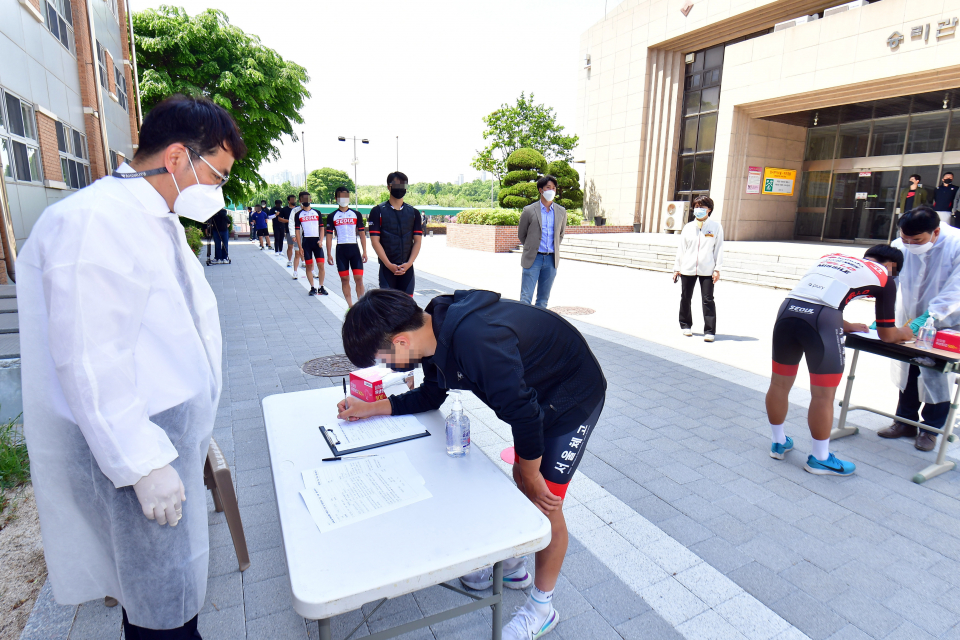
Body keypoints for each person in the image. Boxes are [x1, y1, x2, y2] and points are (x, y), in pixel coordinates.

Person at [18, 94, 244, 638]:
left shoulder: (150, 215)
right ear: (176, 159)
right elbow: (90, 358)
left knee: (170, 591)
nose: (218, 190)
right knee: (159, 609)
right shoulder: (95, 222)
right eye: (217, 173)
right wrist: (141, 464)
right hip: (136, 449)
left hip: (163, 440)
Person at [338, 289, 606, 640]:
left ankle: (543, 607)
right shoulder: (434, 331)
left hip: (572, 396)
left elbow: (525, 417)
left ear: (401, 341)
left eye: (384, 358)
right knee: (524, 476)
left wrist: (531, 473)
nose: (388, 366)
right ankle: (513, 565)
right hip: (537, 397)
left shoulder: (475, 341)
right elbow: (433, 395)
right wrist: (371, 408)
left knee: (544, 503)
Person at [766, 245, 914, 476]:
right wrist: (907, 332)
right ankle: (820, 459)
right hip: (822, 321)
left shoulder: (833, 258)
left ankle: (778, 442)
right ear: (891, 266)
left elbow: (818, 299)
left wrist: (848, 326)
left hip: (787, 311)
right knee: (823, 395)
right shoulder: (885, 276)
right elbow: (887, 334)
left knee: (779, 384)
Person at [879, 206, 960, 451]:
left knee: (936, 372)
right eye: (906, 239)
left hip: (945, 320)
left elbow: (956, 289)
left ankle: (931, 429)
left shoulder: (956, 244)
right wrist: (883, 312)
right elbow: (889, 276)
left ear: (935, 231)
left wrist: (929, 316)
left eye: (917, 240)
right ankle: (905, 421)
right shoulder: (900, 244)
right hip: (908, 318)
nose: (910, 244)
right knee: (909, 369)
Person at [672, 195, 723, 342]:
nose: (698, 210)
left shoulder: (716, 227)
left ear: (709, 209)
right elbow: (681, 249)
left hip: (707, 270)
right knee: (686, 297)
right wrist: (677, 268)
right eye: (696, 207)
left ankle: (709, 331)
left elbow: (719, 249)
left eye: (702, 207)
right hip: (687, 268)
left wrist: (717, 269)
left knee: (708, 299)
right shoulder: (688, 227)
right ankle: (685, 325)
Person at [368, 171, 423, 294]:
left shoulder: (414, 213)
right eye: (396, 184)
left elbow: (417, 241)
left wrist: (409, 263)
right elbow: (375, 241)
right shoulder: (377, 211)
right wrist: (388, 264)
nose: (400, 188)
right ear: (389, 187)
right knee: (388, 309)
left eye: (403, 185)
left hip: (407, 269)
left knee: (408, 308)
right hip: (387, 269)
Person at [517, 175, 567, 308]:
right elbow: (522, 234)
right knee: (525, 298)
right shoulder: (529, 210)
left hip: (551, 260)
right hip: (534, 258)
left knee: (543, 300)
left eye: (554, 188)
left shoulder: (561, 211)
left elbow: (560, 234)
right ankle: (523, 326)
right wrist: (531, 247)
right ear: (541, 190)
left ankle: (537, 327)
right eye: (548, 188)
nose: (551, 191)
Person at [325, 186, 368, 306]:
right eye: (341, 196)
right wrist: (328, 254)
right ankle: (350, 306)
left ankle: (361, 306)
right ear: (336, 198)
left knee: (359, 279)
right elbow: (328, 236)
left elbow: (362, 234)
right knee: (345, 279)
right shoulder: (332, 216)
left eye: (346, 196)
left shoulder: (356, 214)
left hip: (354, 249)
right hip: (341, 250)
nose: (344, 199)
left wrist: (364, 251)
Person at [293, 191, 328, 296]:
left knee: (321, 266)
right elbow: (297, 231)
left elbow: (322, 227)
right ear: (300, 201)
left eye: (307, 198)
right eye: (303, 199)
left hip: (317, 242)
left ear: (311, 200)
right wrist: (300, 246)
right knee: (309, 266)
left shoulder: (317, 212)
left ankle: (321, 287)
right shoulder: (298, 214)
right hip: (306, 242)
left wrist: (321, 240)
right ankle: (312, 287)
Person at [281, 194, 300, 270]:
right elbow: (279, 218)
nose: (294, 201)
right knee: (290, 246)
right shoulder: (284, 209)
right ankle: (289, 260)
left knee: (300, 246)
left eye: (294, 199)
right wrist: (289, 221)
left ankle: (303, 261)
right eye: (292, 200)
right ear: (289, 201)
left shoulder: (298, 209)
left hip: (299, 230)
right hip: (289, 230)